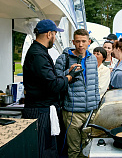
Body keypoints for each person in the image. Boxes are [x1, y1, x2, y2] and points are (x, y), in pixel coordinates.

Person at [22, 19, 77, 158]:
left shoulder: (39, 52)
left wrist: (65, 75)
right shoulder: (38, 55)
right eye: (54, 34)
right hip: (40, 112)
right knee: (44, 151)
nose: (55, 37)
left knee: (48, 149)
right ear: (48, 34)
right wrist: (70, 77)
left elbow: (48, 79)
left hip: (43, 109)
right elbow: (52, 85)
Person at [55, 29, 100, 158]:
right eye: (78, 41)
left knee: (90, 148)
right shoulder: (64, 58)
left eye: (83, 41)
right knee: (74, 149)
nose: (80, 44)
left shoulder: (92, 59)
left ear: (89, 42)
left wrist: (96, 105)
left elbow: (95, 84)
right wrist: (68, 73)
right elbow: (55, 81)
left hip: (91, 112)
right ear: (73, 42)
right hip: (72, 113)